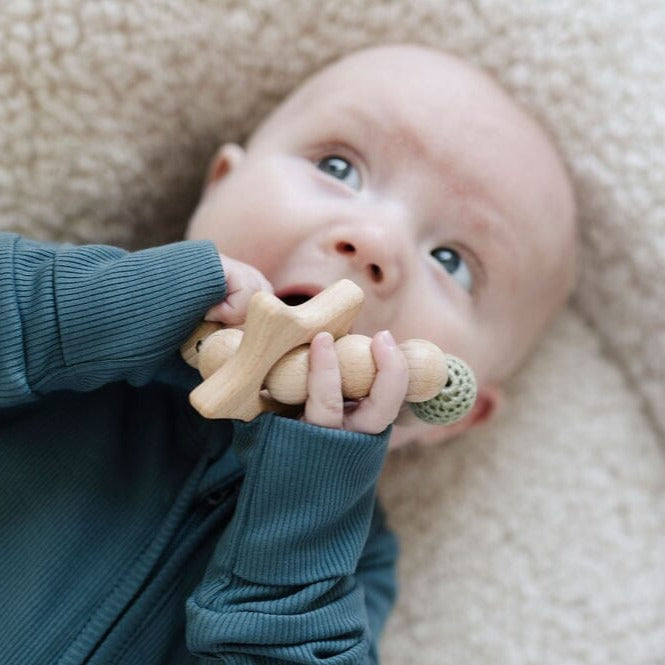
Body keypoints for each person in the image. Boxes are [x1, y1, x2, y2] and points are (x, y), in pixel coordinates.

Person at [0, 45, 577, 664]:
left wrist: (300, 532)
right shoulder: (67, 340)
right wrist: (100, 307)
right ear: (218, 187)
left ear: (453, 411)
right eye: (338, 166)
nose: (374, 242)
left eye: (452, 262)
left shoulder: (344, 569)